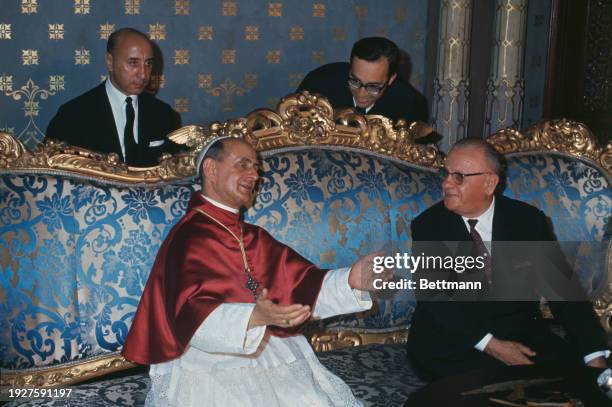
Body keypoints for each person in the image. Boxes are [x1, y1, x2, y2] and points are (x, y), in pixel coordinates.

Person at [122, 136, 388, 406]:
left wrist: (351, 279)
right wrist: (252, 317)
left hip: (269, 348)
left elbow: (301, 284)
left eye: (257, 168)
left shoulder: (254, 237)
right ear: (211, 169)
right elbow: (188, 315)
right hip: (208, 361)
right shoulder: (188, 238)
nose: (255, 175)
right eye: (243, 165)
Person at [407, 138, 608, 381]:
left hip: (522, 338)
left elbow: (561, 289)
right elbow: (438, 303)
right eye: (446, 173)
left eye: (459, 176)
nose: (446, 183)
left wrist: (593, 354)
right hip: (454, 344)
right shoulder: (429, 226)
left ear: (490, 182)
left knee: (574, 383)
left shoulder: (527, 221)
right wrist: (493, 346)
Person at [46, 27, 181, 167]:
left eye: (148, 63)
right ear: (110, 61)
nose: (143, 74)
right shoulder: (72, 115)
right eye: (133, 63)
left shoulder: (164, 114)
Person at [296, 37, 428, 123]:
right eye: (355, 81)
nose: (361, 94)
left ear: (391, 79)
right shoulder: (319, 81)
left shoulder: (409, 102)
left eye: (373, 87)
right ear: (350, 66)